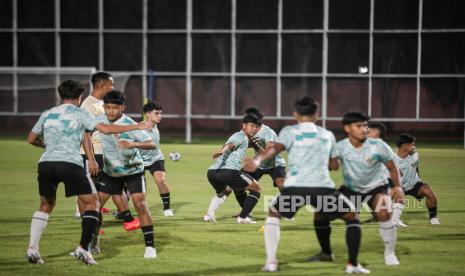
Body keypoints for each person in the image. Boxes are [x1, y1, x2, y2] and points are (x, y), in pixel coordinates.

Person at [26, 80, 152, 265]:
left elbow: (31, 139)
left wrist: (48, 146)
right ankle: (83, 248)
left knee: (45, 205)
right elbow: (106, 129)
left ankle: (32, 249)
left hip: (46, 163)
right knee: (92, 204)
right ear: (79, 97)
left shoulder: (48, 113)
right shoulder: (80, 113)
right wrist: (136, 126)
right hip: (69, 163)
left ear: (61, 96)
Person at [243, 97, 368, 274]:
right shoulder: (327, 135)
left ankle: (271, 262)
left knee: (274, 213)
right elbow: (334, 166)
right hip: (322, 187)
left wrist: (256, 160)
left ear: (295, 114)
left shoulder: (289, 131)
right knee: (351, 216)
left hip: (296, 187)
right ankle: (352, 265)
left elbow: (275, 149)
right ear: (317, 115)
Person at [94, 90, 157, 258]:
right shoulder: (99, 119)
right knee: (94, 207)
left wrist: (132, 144)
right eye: (107, 107)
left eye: (115, 107)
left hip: (133, 171)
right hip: (110, 173)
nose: (111, 111)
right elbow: (102, 130)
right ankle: (93, 244)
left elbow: (151, 144)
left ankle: (150, 247)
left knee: (140, 205)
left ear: (123, 107)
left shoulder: (128, 122)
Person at [337, 112, 404, 266]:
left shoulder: (378, 145)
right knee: (339, 216)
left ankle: (390, 253)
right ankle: (329, 252)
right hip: (351, 189)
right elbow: (331, 165)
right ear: (347, 128)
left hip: (377, 187)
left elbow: (392, 168)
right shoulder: (340, 146)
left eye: (366, 125)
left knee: (384, 211)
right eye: (359, 126)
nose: (364, 129)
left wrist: (397, 187)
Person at [75, 71, 131, 223]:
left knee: (109, 186)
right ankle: (87, 222)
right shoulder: (88, 105)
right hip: (92, 154)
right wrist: (91, 160)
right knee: (90, 190)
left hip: (106, 153)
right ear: (103, 85)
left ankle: (122, 217)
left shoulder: (102, 103)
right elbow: (84, 135)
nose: (113, 87)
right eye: (111, 84)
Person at [204, 114, 262, 224]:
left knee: (225, 191)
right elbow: (230, 145)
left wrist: (256, 146)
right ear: (244, 125)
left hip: (212, 172)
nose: (254, 129)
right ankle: (243, 217)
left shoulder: (246, 138)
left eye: (256, 126)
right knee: (256, 188)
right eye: (252, 126)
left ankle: (209, 215)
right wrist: (222, 151)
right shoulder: (240, 136)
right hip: (228, 172)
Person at [394, 133, 440, 225]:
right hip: (399, 185)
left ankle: (433, 218)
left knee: (430, 193)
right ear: (405, 146)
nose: (414, 147)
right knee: (398, 199)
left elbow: (416, 167)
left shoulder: (415, 155)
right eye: (412, 144)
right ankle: (396, 220)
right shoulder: (392, 159)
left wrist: (419, 180)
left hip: (414, 183)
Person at [366, 123, 405, 227]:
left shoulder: (380, 144)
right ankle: (377, 216)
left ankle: (396, 219)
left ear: (376, 133)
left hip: (387, 176)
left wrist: (397, 181)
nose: (367, 130)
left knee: (394, 195)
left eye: (370, 129)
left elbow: (393, 163)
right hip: (376, 177)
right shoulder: (370, 143)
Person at [140, 101, 174, 217]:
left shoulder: (154, 124)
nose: (160, 116)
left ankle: (167, 208)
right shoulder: (139, 129)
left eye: (160, 113)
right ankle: (122, 211)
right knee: (134, 188)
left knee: (161, 180)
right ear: (148, 114)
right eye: (157, 113)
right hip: (139, 161)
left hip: (156, 158)